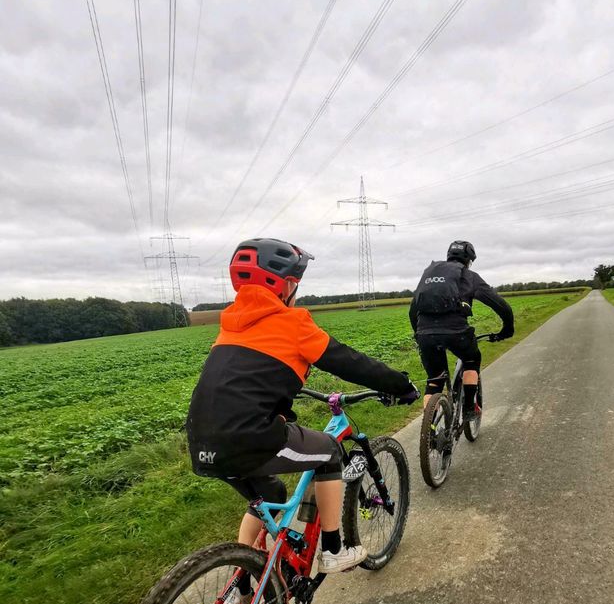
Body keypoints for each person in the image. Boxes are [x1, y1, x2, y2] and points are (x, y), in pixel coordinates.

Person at [186, 237, 418, 584]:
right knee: (327, 452)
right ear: (287, 285)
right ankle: (333, 550)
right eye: (296, 283)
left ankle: (242, 586)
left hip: (200, 439)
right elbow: (349, 362)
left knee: (269, 496)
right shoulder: (292, 323)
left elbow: (242, 387)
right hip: (249, 437)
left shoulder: (230, 325)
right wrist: (400, 385)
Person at [409, 240, 514, 412]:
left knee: (435, 379)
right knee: (472, 360)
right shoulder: (469, 276)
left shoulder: (430, 277)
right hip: (456, 332)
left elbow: (413, 311)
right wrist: (507, 330)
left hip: (425, 333)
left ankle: (430, 431)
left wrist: (418, 334)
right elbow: (501, 305)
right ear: (469, 260)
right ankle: (469, 408)